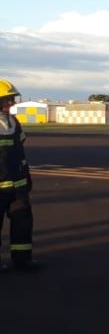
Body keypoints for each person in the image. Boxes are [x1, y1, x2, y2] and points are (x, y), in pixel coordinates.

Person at [0, 79, 40, 272]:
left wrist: (26, 176)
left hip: (17, 187)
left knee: (23, 224)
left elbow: (19, 152)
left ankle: (23, 260)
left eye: (12, 99)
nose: (12, 104)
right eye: (7, 100)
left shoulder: (14, 122)